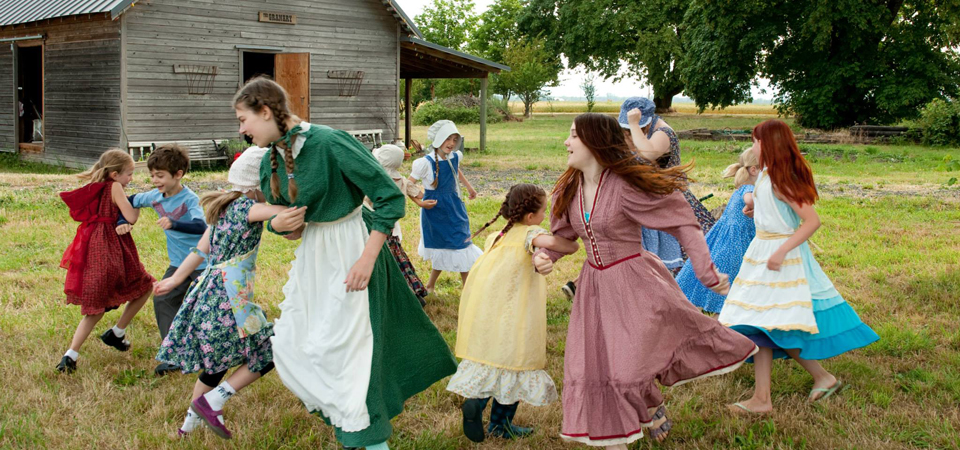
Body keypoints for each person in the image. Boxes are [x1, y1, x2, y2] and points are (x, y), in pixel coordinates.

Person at [235, 77, 457, 450]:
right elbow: (290, 228)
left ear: (266, 111)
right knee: (300, 344)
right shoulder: (269, 159)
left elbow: (389, 198)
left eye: (244, 119)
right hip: (315, 257)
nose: (241, 129)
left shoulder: (328, 142)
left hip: (353, 247)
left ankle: (369, 438)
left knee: (355, 350)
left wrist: (366, 260)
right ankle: (352, 428)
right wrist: (278, 224)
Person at [533, 113, 758, 448]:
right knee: (599, 368)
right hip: (594, 288)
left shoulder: (625, 186)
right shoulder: (569, 188)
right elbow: (564, 237)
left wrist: (706, 272)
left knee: (628, 368)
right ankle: (619, 433)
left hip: (635, 283)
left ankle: (648, 401)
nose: (566, 143)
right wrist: (545, 256)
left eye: (573, 136)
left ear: (595, 142)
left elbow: (682, 221)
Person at [718, 119, 879, 414]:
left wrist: (781, 250)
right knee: (760, 323)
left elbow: (812, 221)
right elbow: (774, 207)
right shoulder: (766, 175)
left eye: (755, 141)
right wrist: (757, 208)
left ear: (767, 143)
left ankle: (815, 379)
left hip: (782, 258)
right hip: (761, 253)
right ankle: (764, 397)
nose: (752, 146)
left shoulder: (782, 179)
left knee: (773, 323)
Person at [153, 147, 286, 439]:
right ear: (259, 184)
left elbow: (201, 251)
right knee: (273, 347)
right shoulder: (248, 208)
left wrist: (175, 280)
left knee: (216, 363)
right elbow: (285, 211)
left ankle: (188, 427)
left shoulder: (221, 207)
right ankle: (216, 399)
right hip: (230, 298)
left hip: (210, 292)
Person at [448, 184, 578, 443]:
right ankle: (500, 424)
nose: (545, 216)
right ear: (530, 217)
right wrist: (572, 234)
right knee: (516, 364)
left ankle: (477, 400)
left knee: (493, 361)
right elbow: (564, 246)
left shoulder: (497, 235)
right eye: (544, 211)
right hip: (517, 314)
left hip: (491, 312)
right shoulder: (531, 233)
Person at [57, 149, 155, 373]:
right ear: (114, 175)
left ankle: (70, 354)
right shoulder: (115, 188)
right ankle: (117, 331)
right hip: (112, 248)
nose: (131, 179)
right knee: (144, 286)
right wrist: (136, 204)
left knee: (95, 308)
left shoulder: (96, 188)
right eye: (129, 174)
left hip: (93, 247)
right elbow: (130, 216)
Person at [119, 144, 208, 376]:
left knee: (207, 307)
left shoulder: (190, 199)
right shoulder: (155, 196)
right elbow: (127, 200)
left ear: (178, 174)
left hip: (202, 263)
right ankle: (173, 355)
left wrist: (173, 222)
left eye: (160, 176)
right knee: (163, 299)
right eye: (152, 175)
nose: (155, 180)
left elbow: (201, 226)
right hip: (178, 263)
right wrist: (122, 221)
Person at [677, 147, 759, 313]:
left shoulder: (742, 187)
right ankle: (724, 307)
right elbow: (750, 200)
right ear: (754, 169)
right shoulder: (749, 189)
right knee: (732, 272)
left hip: (725, 236)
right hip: (736, 240)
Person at [408, 120, 482, 293]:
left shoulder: (455, 157)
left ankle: (467, 289)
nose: (452, 143)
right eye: (448, 138)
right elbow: (408, 184)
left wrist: (469, 187)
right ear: (438, 138)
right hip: (435, 210)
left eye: (455, 139)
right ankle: (433, 285)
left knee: (461, 242)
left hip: (455, 206)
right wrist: (420, 202)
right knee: (445, 245)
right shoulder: (424, 163)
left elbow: (455, 171)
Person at [365, 144, 432, 305]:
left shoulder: (376, 181)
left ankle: (394, 296)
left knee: (382, 264)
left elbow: (366, 204)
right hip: (393, 230)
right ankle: (413, 293)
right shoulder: (402, 181)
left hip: (375, 229)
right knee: (398, 262)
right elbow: (420, 194)